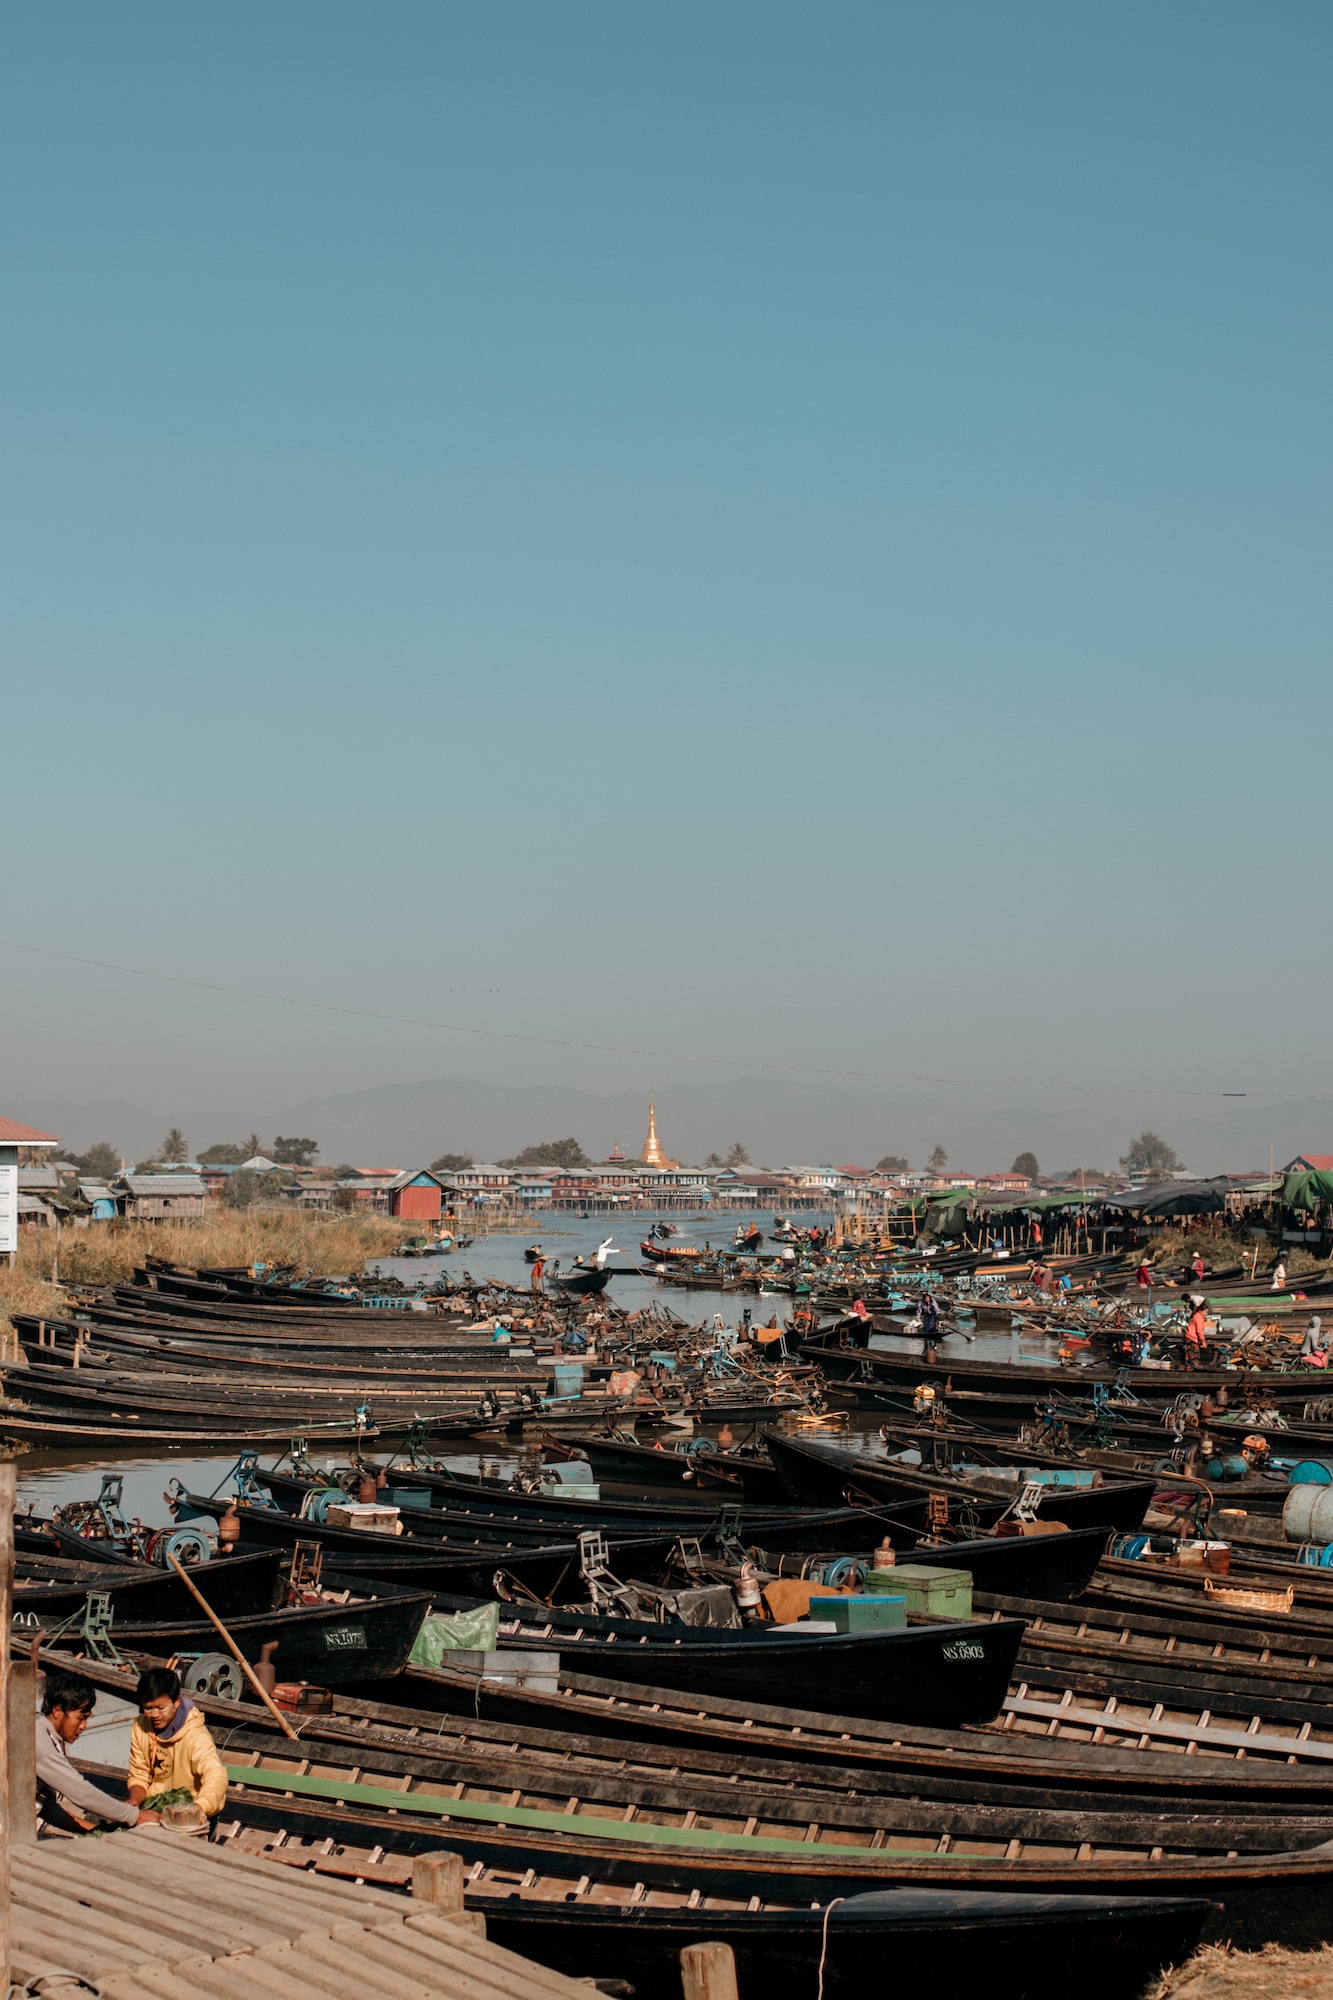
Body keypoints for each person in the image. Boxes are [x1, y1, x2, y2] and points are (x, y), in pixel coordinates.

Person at [37, 1670, 160, 1832]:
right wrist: (134, 1815)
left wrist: (98, 1833)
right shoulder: (39, 1739)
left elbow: (47, 1808)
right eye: (81, 1718)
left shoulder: (47, 1735)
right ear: (58, 1710)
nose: (83, 1726)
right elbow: (81, 1793)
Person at [127, 1667, 228, 1823]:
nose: (154, 1715)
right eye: (148, 1708)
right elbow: (139, 1774)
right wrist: (134, 1801)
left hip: (190, 1810)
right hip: (154, 1808)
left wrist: (197, 1808)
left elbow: (215, 1776)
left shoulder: (196, 1736)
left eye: (161, 1708)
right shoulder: (140, 1726)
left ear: (176, 1702)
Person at [1184, 1303, 1210, 1370]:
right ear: (1201, 1311)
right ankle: (1192, 1369)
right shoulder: (1198, 1317)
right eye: (1205, 1312)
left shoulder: (1198, 1316)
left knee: (1189, 1356)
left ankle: (1189, 1369)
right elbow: (1199, 1331)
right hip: (1192, 1338)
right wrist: (1203, 1341)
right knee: (1194, 1356)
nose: (1206, 1314)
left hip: (1189, 1337)